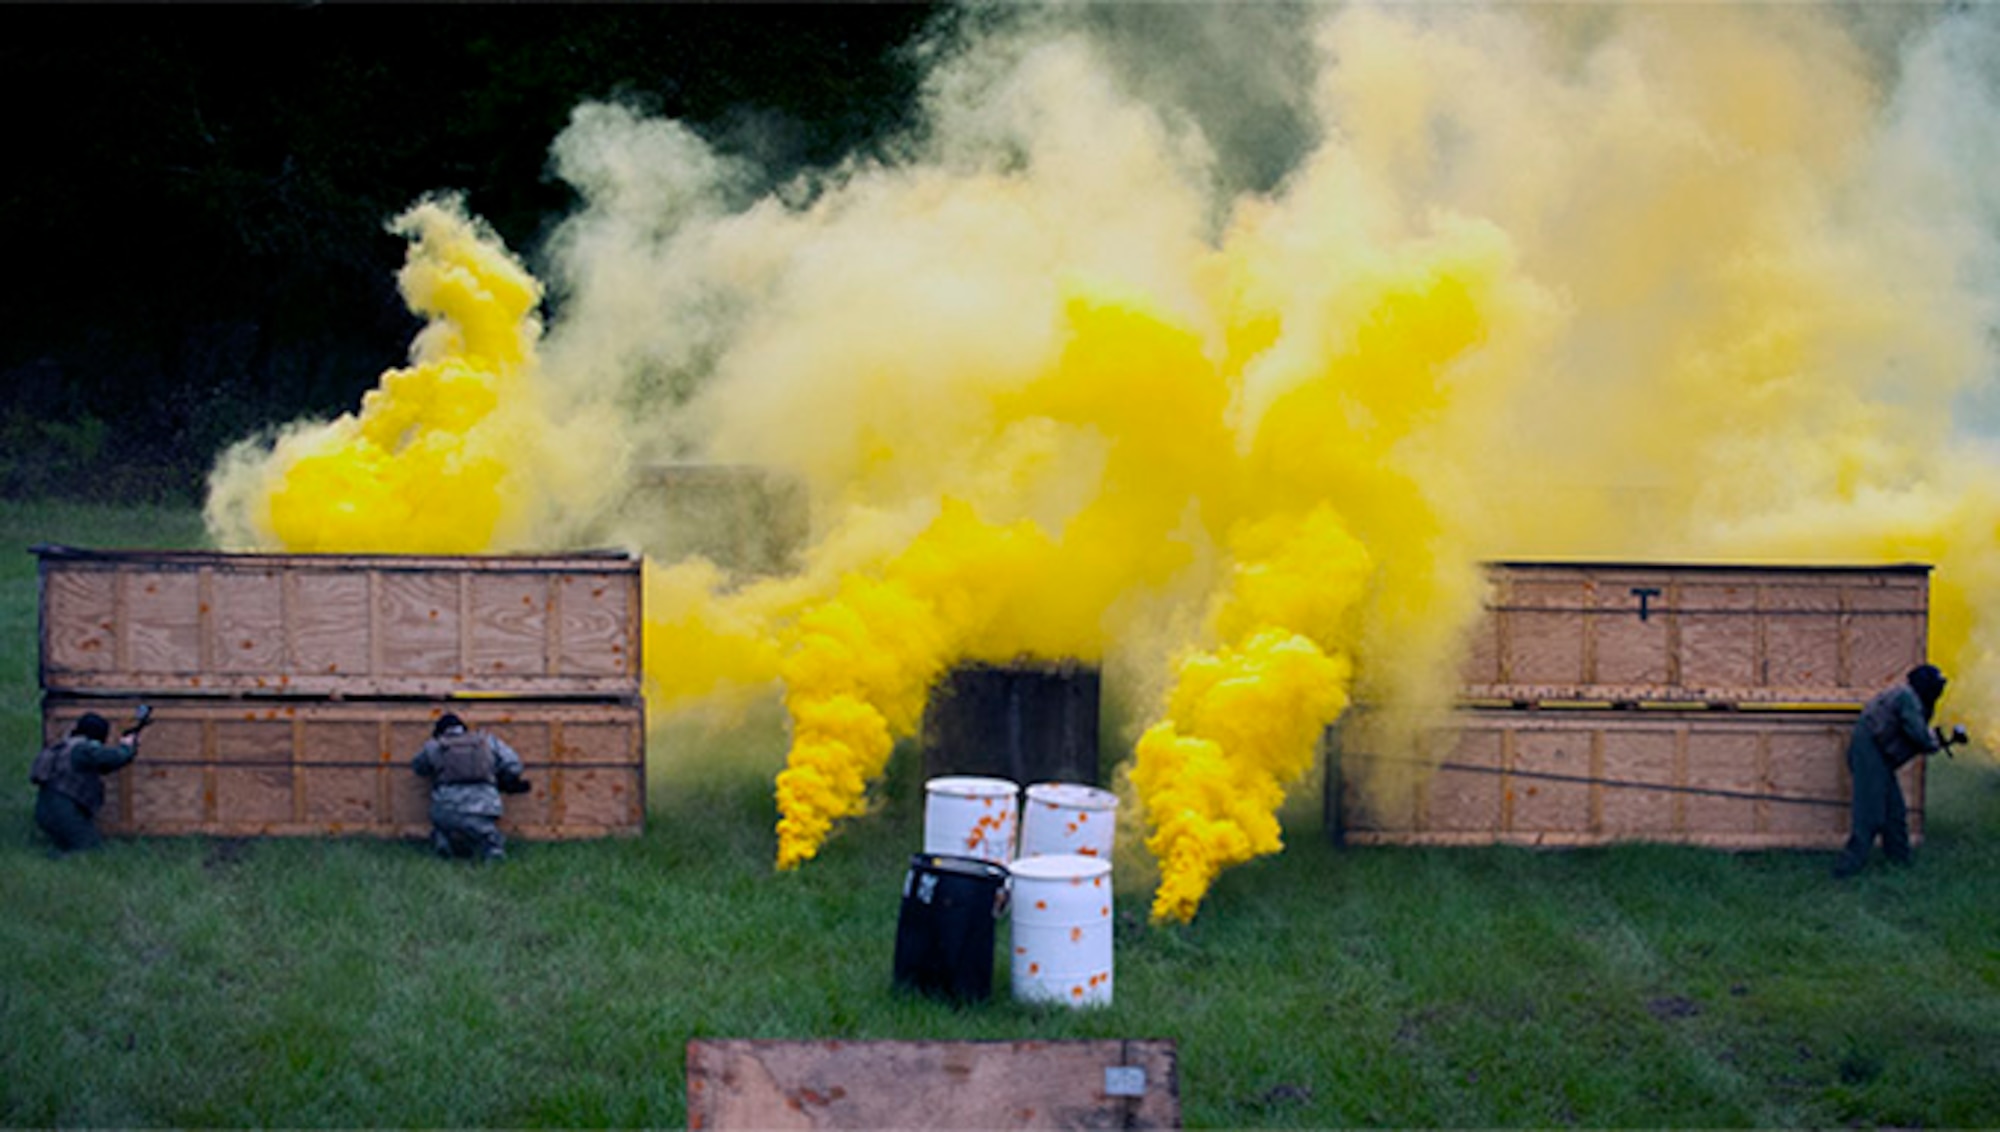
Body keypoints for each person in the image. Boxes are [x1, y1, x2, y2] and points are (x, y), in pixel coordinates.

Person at [1834, 664, 1956, 878]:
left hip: (1878, 753)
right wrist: (1934, 742)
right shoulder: (1907, 697)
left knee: (1894, 813)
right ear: (1925, 685)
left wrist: (1933, 740)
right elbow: (1917, 733)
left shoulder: (1908, 696)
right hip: (1869, 752)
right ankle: (1847, 868)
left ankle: (1899, 862)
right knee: (1870, 814)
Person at [410, 712, 529, 861]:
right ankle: (492, 848)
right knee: (487, 834)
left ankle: (444, 842)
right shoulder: (487, 740)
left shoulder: (434, 745)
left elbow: (418, 768)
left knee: (441, 827)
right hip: (485, 807)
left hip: (447, 807)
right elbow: (514, 765)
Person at [30, 712, 141, 855]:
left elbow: (101, 766)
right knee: (89, 849)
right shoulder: (82, 749)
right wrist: (127, 746)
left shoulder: (64, 746)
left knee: (69, 842)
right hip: (63, 810)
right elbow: (114, 757)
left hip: (45, 808)